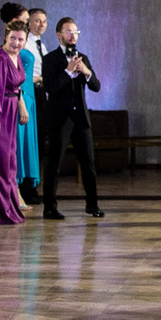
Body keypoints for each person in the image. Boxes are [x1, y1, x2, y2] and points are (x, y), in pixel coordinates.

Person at [39, 15, 105, 219]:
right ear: (59, 35)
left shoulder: (83, 58)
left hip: (81, 119)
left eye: (75, 32)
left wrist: (86, 72)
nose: (72, 35)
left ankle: (92, 205)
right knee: (54, 163)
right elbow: (49, 87)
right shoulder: (50, 59)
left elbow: (96, 86)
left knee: (88, 163)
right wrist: (67, 72)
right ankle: (50, 207)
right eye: (68, 32)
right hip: (59, 118)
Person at [0, 25, 29, 224]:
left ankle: (11, 209)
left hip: (11, 110)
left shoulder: (16, 57)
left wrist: (22, 107)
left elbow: (16, 87)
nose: (17, 43)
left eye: (20, 39)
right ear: (5, 38)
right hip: (0, 111)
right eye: (13, 38)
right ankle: (1, 212)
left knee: (10, 163)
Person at [18, 8, 46, 204]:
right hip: (29, 91)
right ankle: (25, 188)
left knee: (38, 142)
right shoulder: (23, 43)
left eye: (44, 21)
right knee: (28, 142)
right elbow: (23, 74)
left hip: (40, 94)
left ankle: (33, 187)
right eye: (36, 21)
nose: (41, 24)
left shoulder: (41, 46)